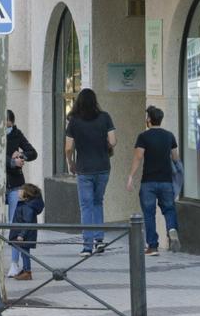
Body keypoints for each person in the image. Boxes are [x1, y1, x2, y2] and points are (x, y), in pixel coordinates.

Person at [64, 88, 116, 255]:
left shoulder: (74, 121)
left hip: (84, 169)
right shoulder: (105, 117)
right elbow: (113, 141)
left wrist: (70, 162)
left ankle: (87, 246)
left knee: (86, 206)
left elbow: (68, 147)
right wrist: (104, 146)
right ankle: (99, 240)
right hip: (103, 167)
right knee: (98, 202)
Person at [126, 105, 181, 255]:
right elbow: (175, 157)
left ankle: (152, 246)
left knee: (149, 214)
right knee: (169, 210)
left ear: (149, 119)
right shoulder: (169, 136)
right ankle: (172, 229)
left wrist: (131, 176)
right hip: (166, 181)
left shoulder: (143, 137)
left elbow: (138, 157)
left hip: (148, 182)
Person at [5, 109, 39, 276]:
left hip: (14, 185)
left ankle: (14, 263)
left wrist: (22, 155)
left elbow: (33, 153)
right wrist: (12, 162)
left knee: (15, 223)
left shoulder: (17, 134)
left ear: (10, 122)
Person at [8, 183, 44, 281]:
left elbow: (27, 222)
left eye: (20, 191)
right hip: (24, 234)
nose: (18, 192)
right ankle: (25, 270)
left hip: (25, 235)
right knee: (24, 253)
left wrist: (21, 235)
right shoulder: (24, 204)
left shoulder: (28, 207)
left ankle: (27, 272)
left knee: (25, 253)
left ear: (26, 194)